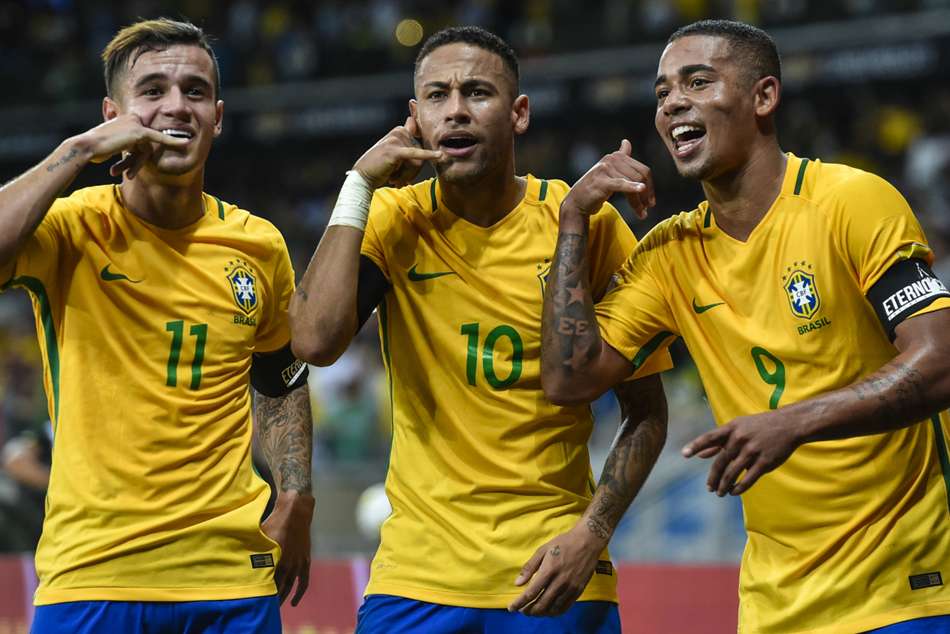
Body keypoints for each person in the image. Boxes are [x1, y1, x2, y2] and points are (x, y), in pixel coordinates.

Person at [542, 18, 950, 634]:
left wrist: (794, 422)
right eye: (662, 92)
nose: (672, 102)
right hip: (774, 607)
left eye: (697, 81)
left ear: (763, 97)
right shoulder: (669, 254)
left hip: (908, 592)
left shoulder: (850, 201)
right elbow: (569, 380)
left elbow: (941, 359)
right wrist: (573, 219)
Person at [290, 26, 670, 633]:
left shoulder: (585, 224)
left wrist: (592, 535)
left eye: (477, 92)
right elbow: (312, 342)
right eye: (437, 96)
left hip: (552, 574)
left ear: (519, 113)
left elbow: (646, 411)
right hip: (417, 578)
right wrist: (358, 186)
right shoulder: (393, 219)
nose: (456, 110)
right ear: (416, 118)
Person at [0, 18, 314, 633]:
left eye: (195, 91)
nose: (176, 105)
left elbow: (280, 379)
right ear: (112, 114)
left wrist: (297, 494)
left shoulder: (258, 245)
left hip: (232, 579)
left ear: (216, 117)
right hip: (93, 574)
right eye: (153, 91)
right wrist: (78, 151)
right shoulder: (70, 228)